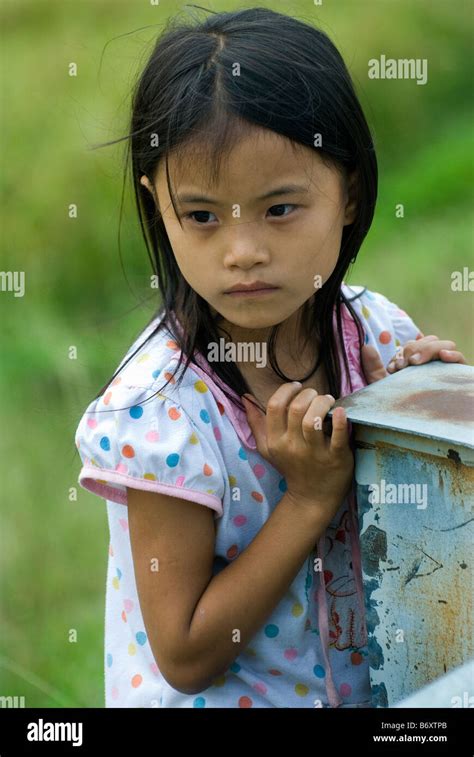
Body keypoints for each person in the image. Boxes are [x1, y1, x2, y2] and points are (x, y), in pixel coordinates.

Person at [75, 7, 467, 708]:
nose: (243, 251)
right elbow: (187, 655)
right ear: (157, 204)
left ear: (347, 191)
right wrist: (308, 498)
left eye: (279, 208)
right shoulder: (163, 409)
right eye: (201, 215)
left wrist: (433, 407)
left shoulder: (373, 334)